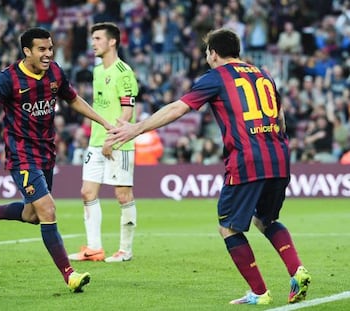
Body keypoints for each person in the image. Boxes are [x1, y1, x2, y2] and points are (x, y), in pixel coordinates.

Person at [107, 28, 311, 304]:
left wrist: (138, 128)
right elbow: (281, 117)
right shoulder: (263, 74)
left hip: (247, 159)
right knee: (266, 219)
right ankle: (296, 269)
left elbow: (178, 108)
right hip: (279, 155)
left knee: (228, 226)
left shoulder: (215, 77)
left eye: (207, 52)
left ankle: (260, 293)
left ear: (213, 53)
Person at [0, 27, 113, 293]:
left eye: (50, 48)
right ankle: (69, 274)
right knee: (48, 209)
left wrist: (102, 121)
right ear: (27, 51)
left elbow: (74, 99)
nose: (48, 54)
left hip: (46, 152)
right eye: (42, 50)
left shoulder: (55, 72)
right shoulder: (7, 80)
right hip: (21, 154)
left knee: (32, 215)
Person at [68, 22, 139, 263]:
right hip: (96, 141)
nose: (93, 43)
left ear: (112, 42)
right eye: (93, 38)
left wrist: (112, 138)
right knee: (87, 192)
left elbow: (128, 111)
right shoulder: (98, 71)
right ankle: (94, 248)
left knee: (122, 195)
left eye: (98, 38)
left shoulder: (124, 72)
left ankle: (125, 251)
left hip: (119, 142)